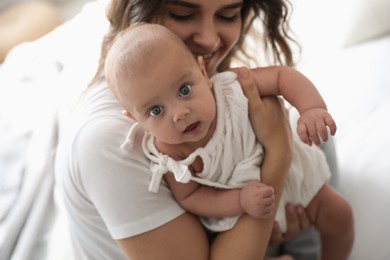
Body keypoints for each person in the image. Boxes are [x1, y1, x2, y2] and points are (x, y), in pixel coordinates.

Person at [55, 0, 340, 259]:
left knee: (311, 136)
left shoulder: (199, 83)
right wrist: (278, 155)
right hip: (243, 217)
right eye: (183, 14)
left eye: (228, 15)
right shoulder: (111, 141)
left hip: (247, 222)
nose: (209, 39)